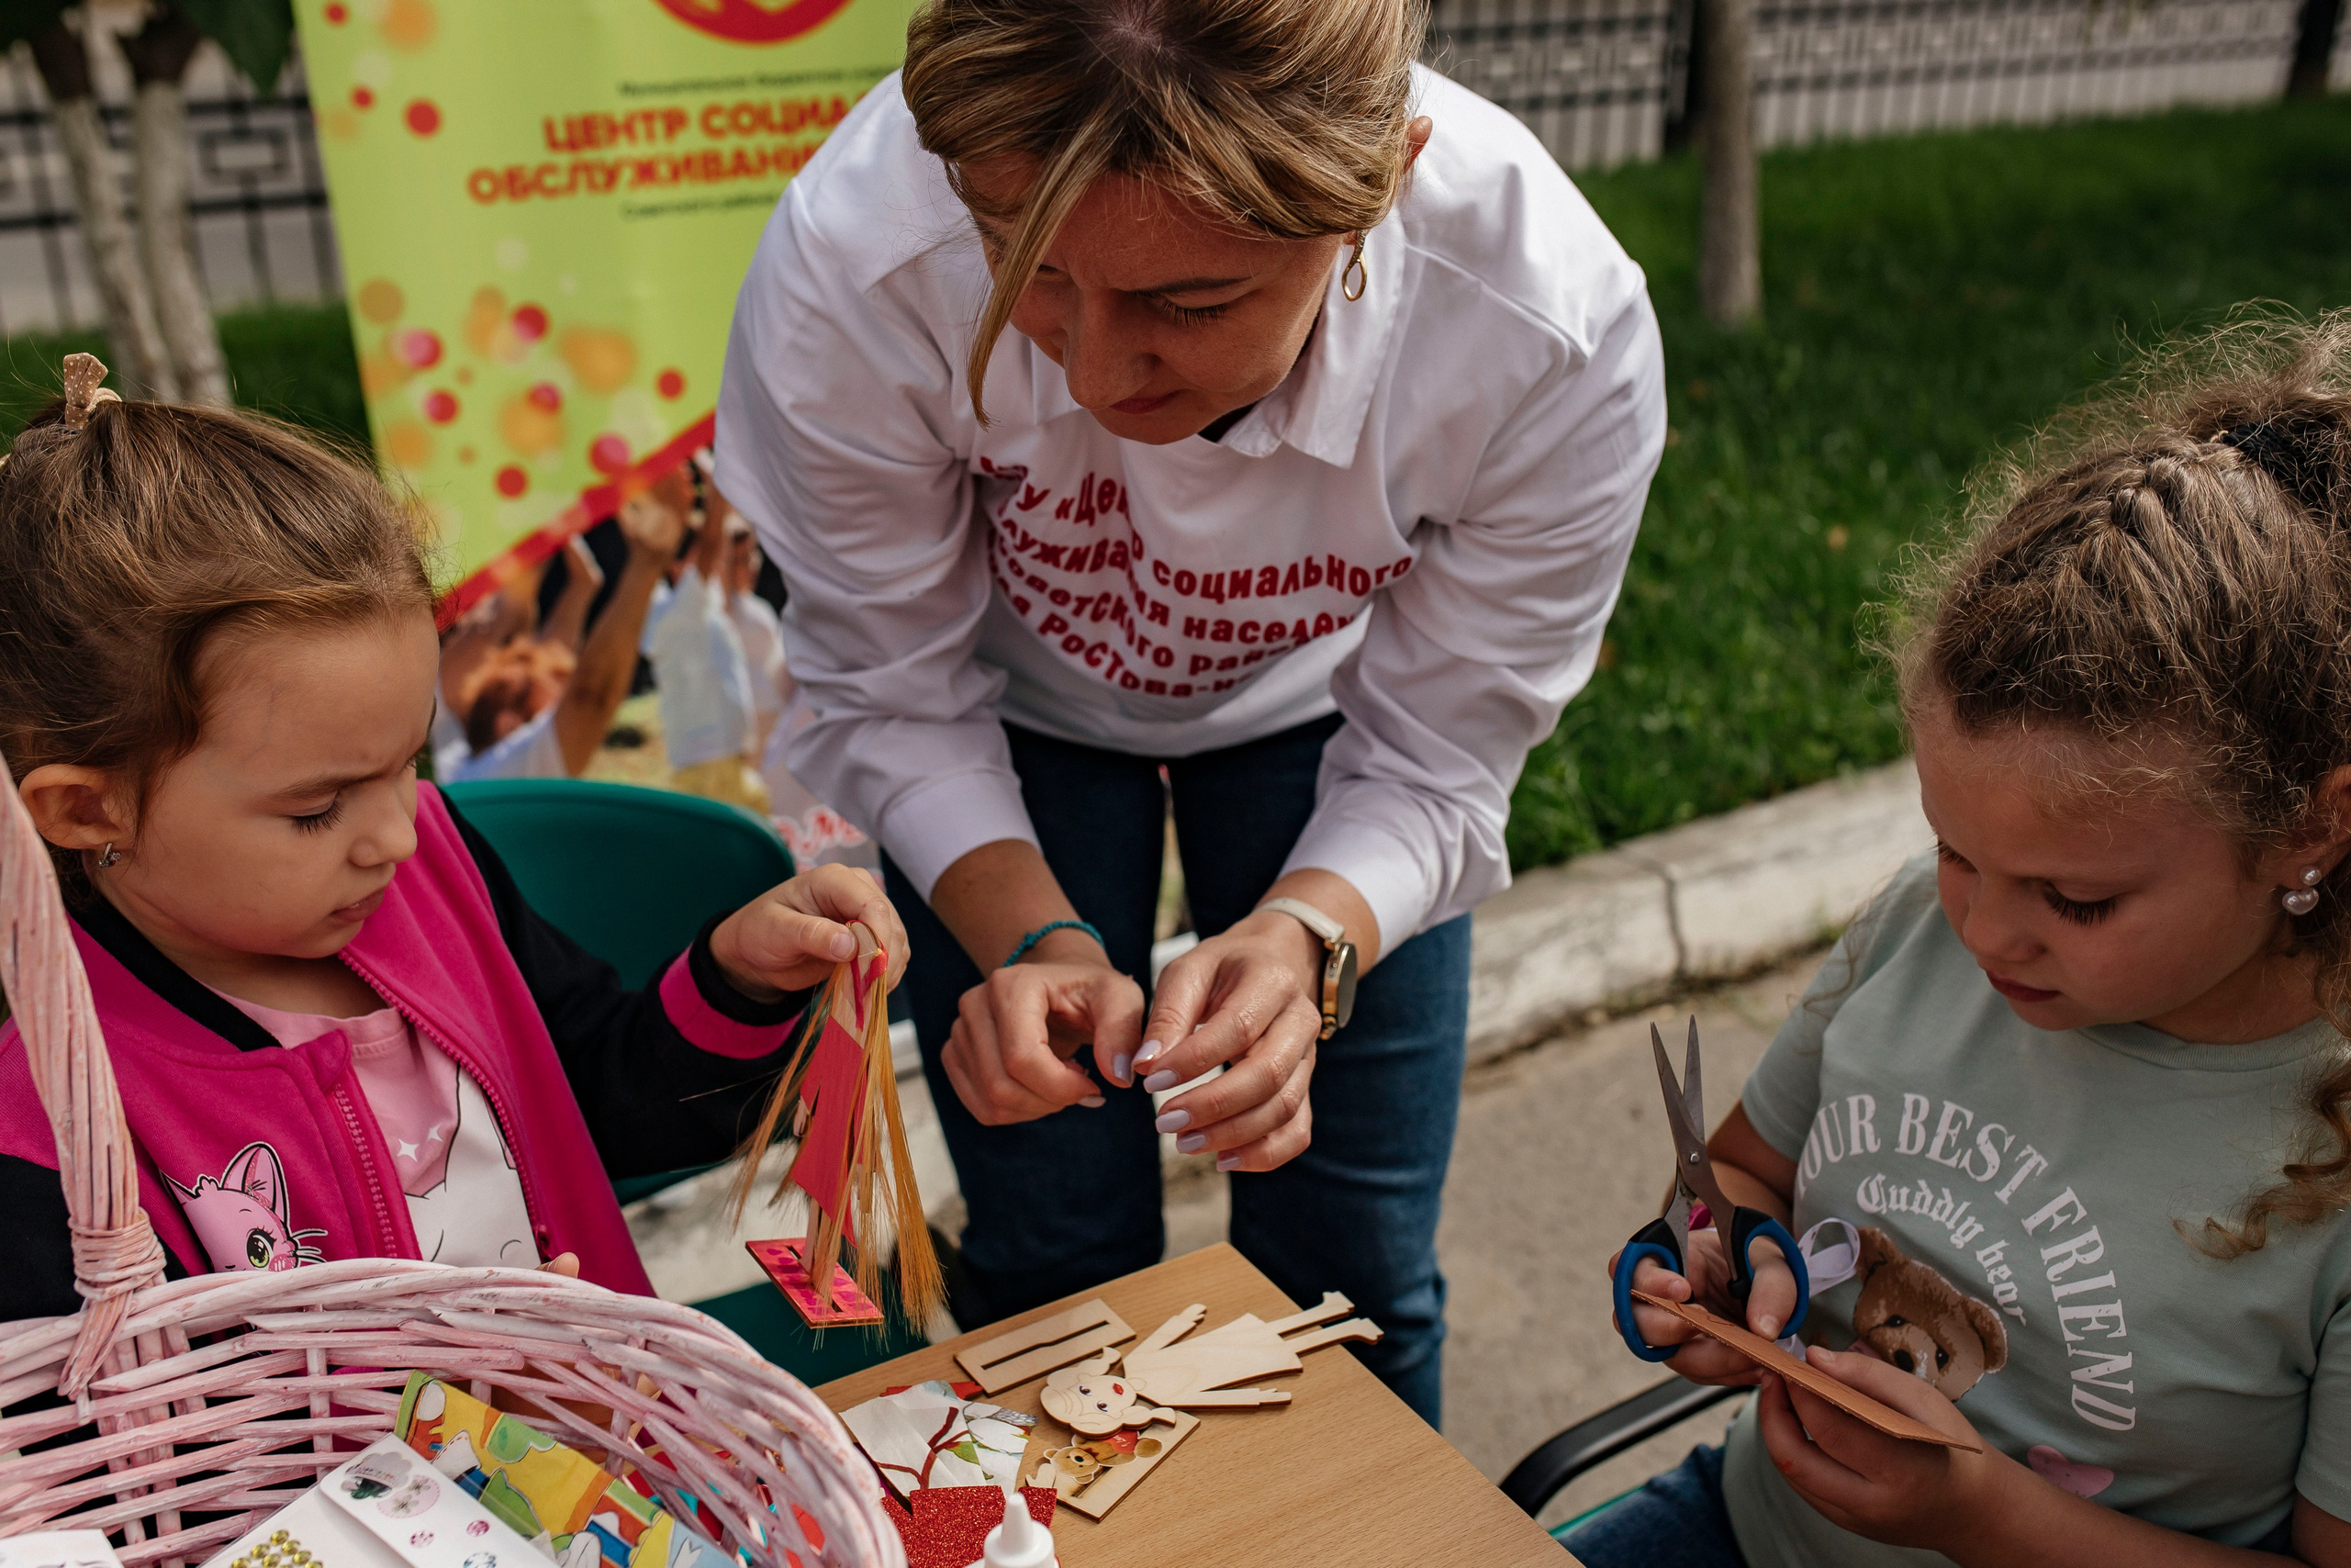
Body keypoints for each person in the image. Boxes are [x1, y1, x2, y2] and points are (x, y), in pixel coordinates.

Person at [716, 0, 1664, 1422]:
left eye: (1192, 302)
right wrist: (1027, 939)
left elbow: (1441, 753)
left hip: (1330, 728)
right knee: (1051, 1261)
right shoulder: (856, 259)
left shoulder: (1545, 326)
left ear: (1385, 180)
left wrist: (1310, 940)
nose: (1095, 377)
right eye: (1019, 268)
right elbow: (889, 686)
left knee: (1341, 1275)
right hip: (1004, 724)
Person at [1584, 314, 2351, 1567]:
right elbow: (1743, 1171)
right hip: (1749, 1531)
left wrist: (1984, 1517)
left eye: (2077, 902)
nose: (1986, 932)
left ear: (2309, 829)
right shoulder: (1920, 926)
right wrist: (1709, 1262)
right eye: (1954, 851)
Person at [0, 364, 908, 1310]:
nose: (396, 834)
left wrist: (741, 975)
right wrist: (467, 1423)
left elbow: (604, 1095)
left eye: (408, 764)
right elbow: (138, 1447)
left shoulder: (436, 868)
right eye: (318, 807)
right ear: (85, 810)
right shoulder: (59, 1134)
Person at [433, 487, 684, 784]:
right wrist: (647, 563)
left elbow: (560, 592)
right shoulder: (496, 777)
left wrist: (546, 518)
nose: (562, 712)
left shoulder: (458, 770)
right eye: (551, 710)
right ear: (510, 726)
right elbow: (590, 698)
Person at [642, 465, 768, 814]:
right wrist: (717, 485)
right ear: (678, 565)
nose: (709, 561)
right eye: (697, 555)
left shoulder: (687, 608)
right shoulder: (679, 609)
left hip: (724, 767)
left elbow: (718, 544)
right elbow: (713, 542)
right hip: (708, 774)